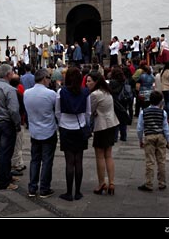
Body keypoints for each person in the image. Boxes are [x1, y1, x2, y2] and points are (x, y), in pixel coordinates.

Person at [54, 66, 90, 201]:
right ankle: (78, 192)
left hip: (66, 127)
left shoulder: (61, 92)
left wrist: (61, 122)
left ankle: (69, 192)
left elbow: (57, 112)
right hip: (80, 127)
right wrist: (85, 124)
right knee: (79, 160)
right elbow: (88, 112)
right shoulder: (85, 92)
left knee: (69, 161)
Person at [23, 68, 57, 199]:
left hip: (34, 131)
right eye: (48, 78)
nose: (49, 81)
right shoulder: (51, 94)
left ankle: (32, 187)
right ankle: (44, 188)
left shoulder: (27, 93)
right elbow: (56, 110)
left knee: (35, 160)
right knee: (47, 161)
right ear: (44, 79)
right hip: (48, 129)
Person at [0, 63, 21, 191]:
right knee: (6, 153)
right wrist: (17, 124)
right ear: (8, 74)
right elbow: (14, 110)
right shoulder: (10, 89)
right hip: (6, 122)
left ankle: (7, 175)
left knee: (4, 151)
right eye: (12, 72)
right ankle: (4, 182)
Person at [87, 71, 119, 195]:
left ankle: (102, 183)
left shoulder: (95, 94)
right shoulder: (107, 92)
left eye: (90, 81)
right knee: (109, 155)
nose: (87, 83)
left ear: (96, 82)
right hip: (111, 123)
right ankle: (111, 182)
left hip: (101, 126)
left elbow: (90, 110)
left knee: (100, 156)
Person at [137, 90, 169, 191]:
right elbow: (166, 128)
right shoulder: (163, 112)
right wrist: (168, 140)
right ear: (160, 101)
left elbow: (140, 128)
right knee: (161, 161)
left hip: (149, 136)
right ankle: (162, 182)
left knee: (150, 161)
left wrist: (140, 139)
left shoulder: (144, 112)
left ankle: (149, 183)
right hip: (160, 136)